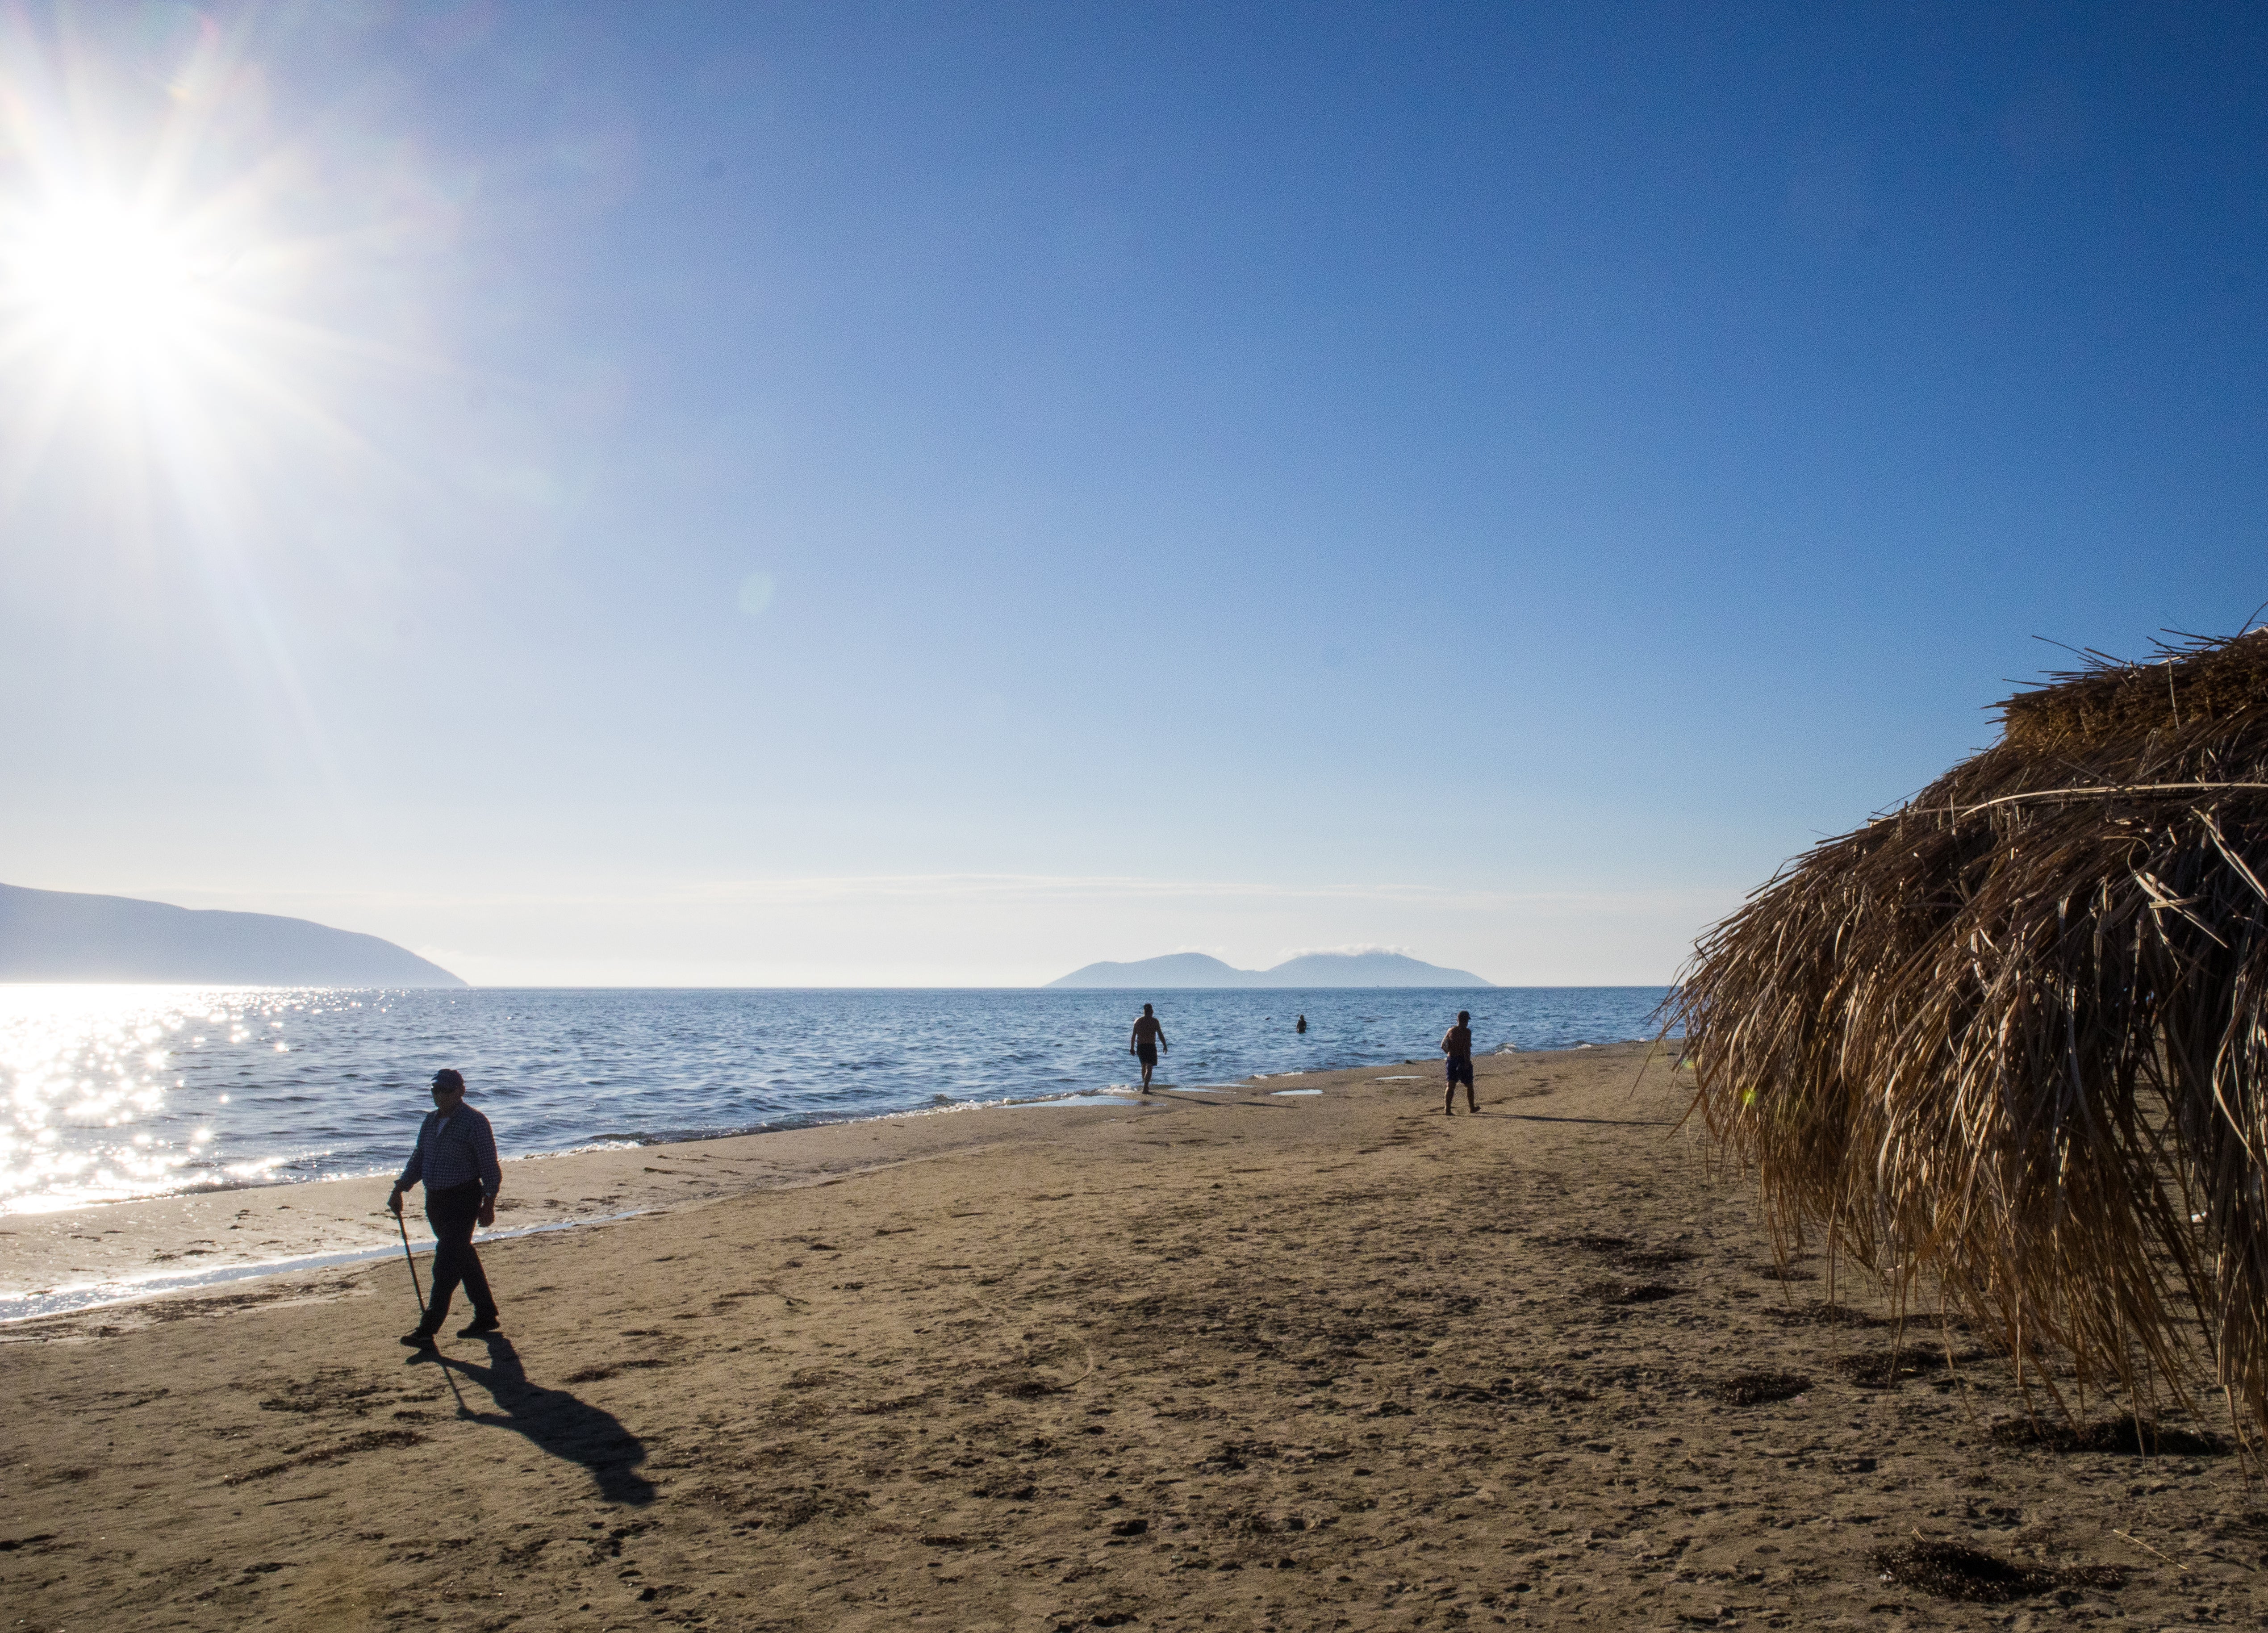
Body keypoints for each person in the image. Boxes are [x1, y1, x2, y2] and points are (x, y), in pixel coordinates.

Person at [388, 1067, 504, 1346]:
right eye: (434, 1091)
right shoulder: (430, 1122)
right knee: (461, 1255)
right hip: (436, 1200)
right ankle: (487, 1315)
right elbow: (419, 1158)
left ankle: (428, 1328)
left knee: (446, 1261)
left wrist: (489, 1203)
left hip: (464, 1198)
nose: (438, 1096)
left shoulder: (474, 1122)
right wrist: (400, 1187)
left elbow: (490, 1166)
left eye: (444, 1091)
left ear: (460, 1091)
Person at [1441, 1010, 1476, 1115]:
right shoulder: (1467, 1032)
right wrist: (1467, 1062)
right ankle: (1472, 1107)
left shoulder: (1451, 1030)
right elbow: (1466, 1049)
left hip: (1451, 1059)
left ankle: (1447, 1109)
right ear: (1466, 1021)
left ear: (1458, 1020)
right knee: (1469, 1085)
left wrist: (1450, 1052)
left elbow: (1444, 1045)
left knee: (1450, 1085)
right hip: (1461, 1059)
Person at [1129, 1003, 1169, 1091]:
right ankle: (1145, 1086)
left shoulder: (1138, 1021)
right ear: (1152, 1011)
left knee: (1144, 1066)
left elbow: (1133, 1036)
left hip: (1141, 1047)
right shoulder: (1155, 1021)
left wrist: (1132, 1048)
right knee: (1150, 1067)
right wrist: (1165, 1045)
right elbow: (1160, 1035)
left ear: (1144, 1011)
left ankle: (1146, 1085)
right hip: (1151, 1047)